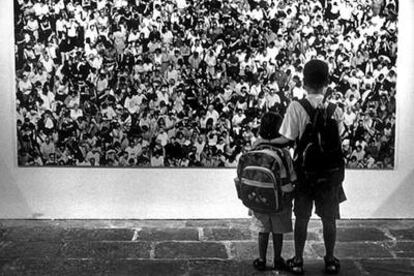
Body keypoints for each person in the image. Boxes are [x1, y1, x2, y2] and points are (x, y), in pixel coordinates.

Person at [270, 60, 346, 274]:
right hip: (330, 174)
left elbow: (287, 139)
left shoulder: (296, 106)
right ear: (327, 82)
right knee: (329, 219)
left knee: (302, 218)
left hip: (304, 173)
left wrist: (266, 143)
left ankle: (299, 260)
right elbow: (337, 142)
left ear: (304, 83)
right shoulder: (335, 109)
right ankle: (330, 259)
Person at [250, 112, 295, 272]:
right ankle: (277, 258)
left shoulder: (255, 149)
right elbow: (292, 176)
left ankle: (261, 259)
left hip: (259, 197)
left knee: (263, 230)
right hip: (280, 198)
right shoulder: (284, 153)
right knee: (278, 230)